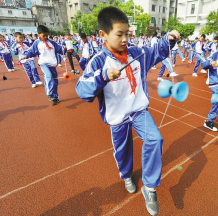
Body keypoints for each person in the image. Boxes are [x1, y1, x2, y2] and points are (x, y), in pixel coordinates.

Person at [75, 6, 179, 216]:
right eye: (119, 34)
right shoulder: (98, 61)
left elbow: (157, 51)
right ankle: (126, 175)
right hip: (117, 117)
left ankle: (149, 188)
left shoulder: (136, 53)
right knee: (122, 151)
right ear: (103, 34)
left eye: (127, 34)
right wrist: (103, 76)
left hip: (138, 110)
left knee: (155, 139)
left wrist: (169, 38)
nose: (125, 39)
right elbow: (82, 91)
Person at [21, 25, 65, 106]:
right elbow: (31, 51)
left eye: (47, 35)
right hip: (43, 64)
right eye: (43, 35)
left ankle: (55, 98)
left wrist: (64, 49)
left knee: (54, 81)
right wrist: (26, 56)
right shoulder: (37, 43)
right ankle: (49, 94)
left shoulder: (52, 43)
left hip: (52, 64)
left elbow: (60, 49)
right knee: (48, 76)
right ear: (38, 34)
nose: (45, 37)